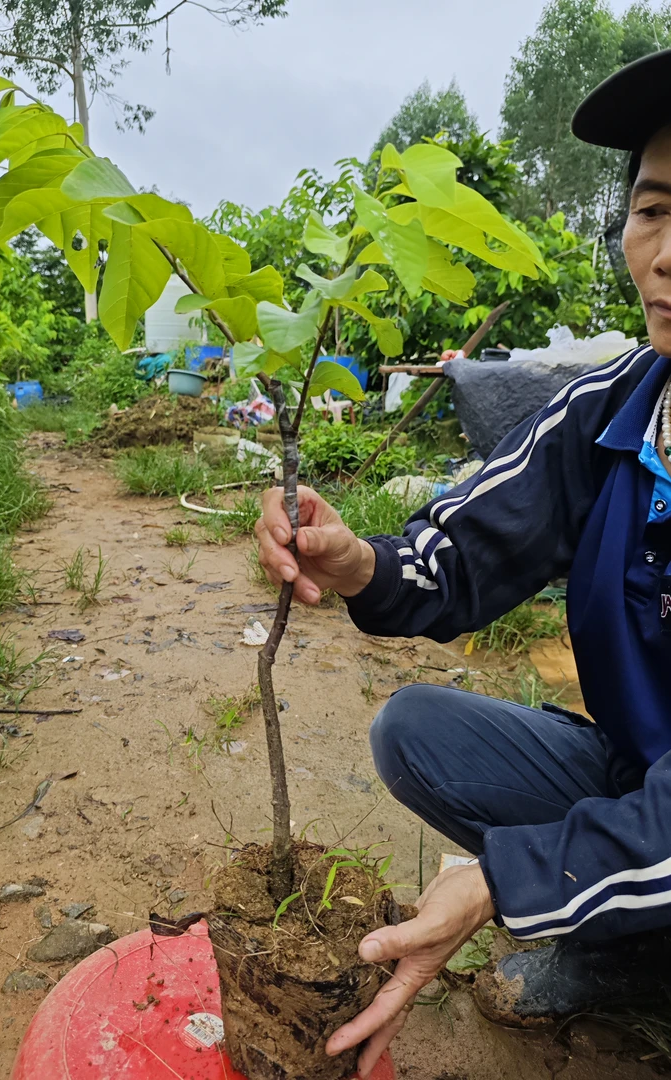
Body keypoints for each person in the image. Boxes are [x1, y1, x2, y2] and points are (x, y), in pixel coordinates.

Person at [256, 50, 671, 1079]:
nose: (668, 254)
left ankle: (612, 907)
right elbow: (462, 550)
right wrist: (357, 562)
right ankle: (637, 949)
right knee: (420, 730)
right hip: (644, 775)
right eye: (657, 209)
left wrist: (505, 880)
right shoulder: (612, 410)